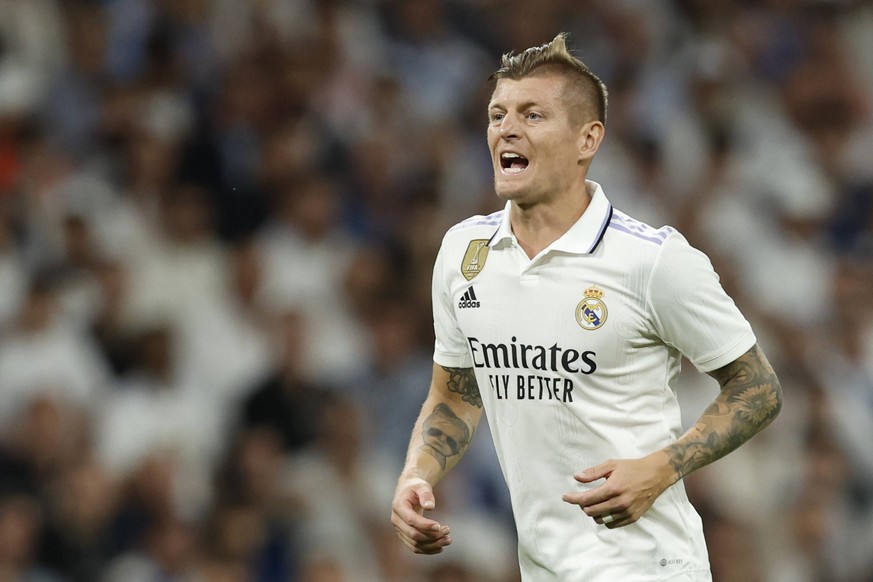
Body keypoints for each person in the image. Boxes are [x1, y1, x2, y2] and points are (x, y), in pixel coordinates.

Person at [390, 32, 783, 582]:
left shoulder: (653, 260)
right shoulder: (464, 253)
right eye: (497, 114)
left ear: (587, 139)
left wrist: (664, 467)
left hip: (650, 567)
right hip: (544, 569)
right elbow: (454, 395)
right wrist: (417, 474)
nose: (507, 128)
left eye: (532, 115)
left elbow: (758, 388)